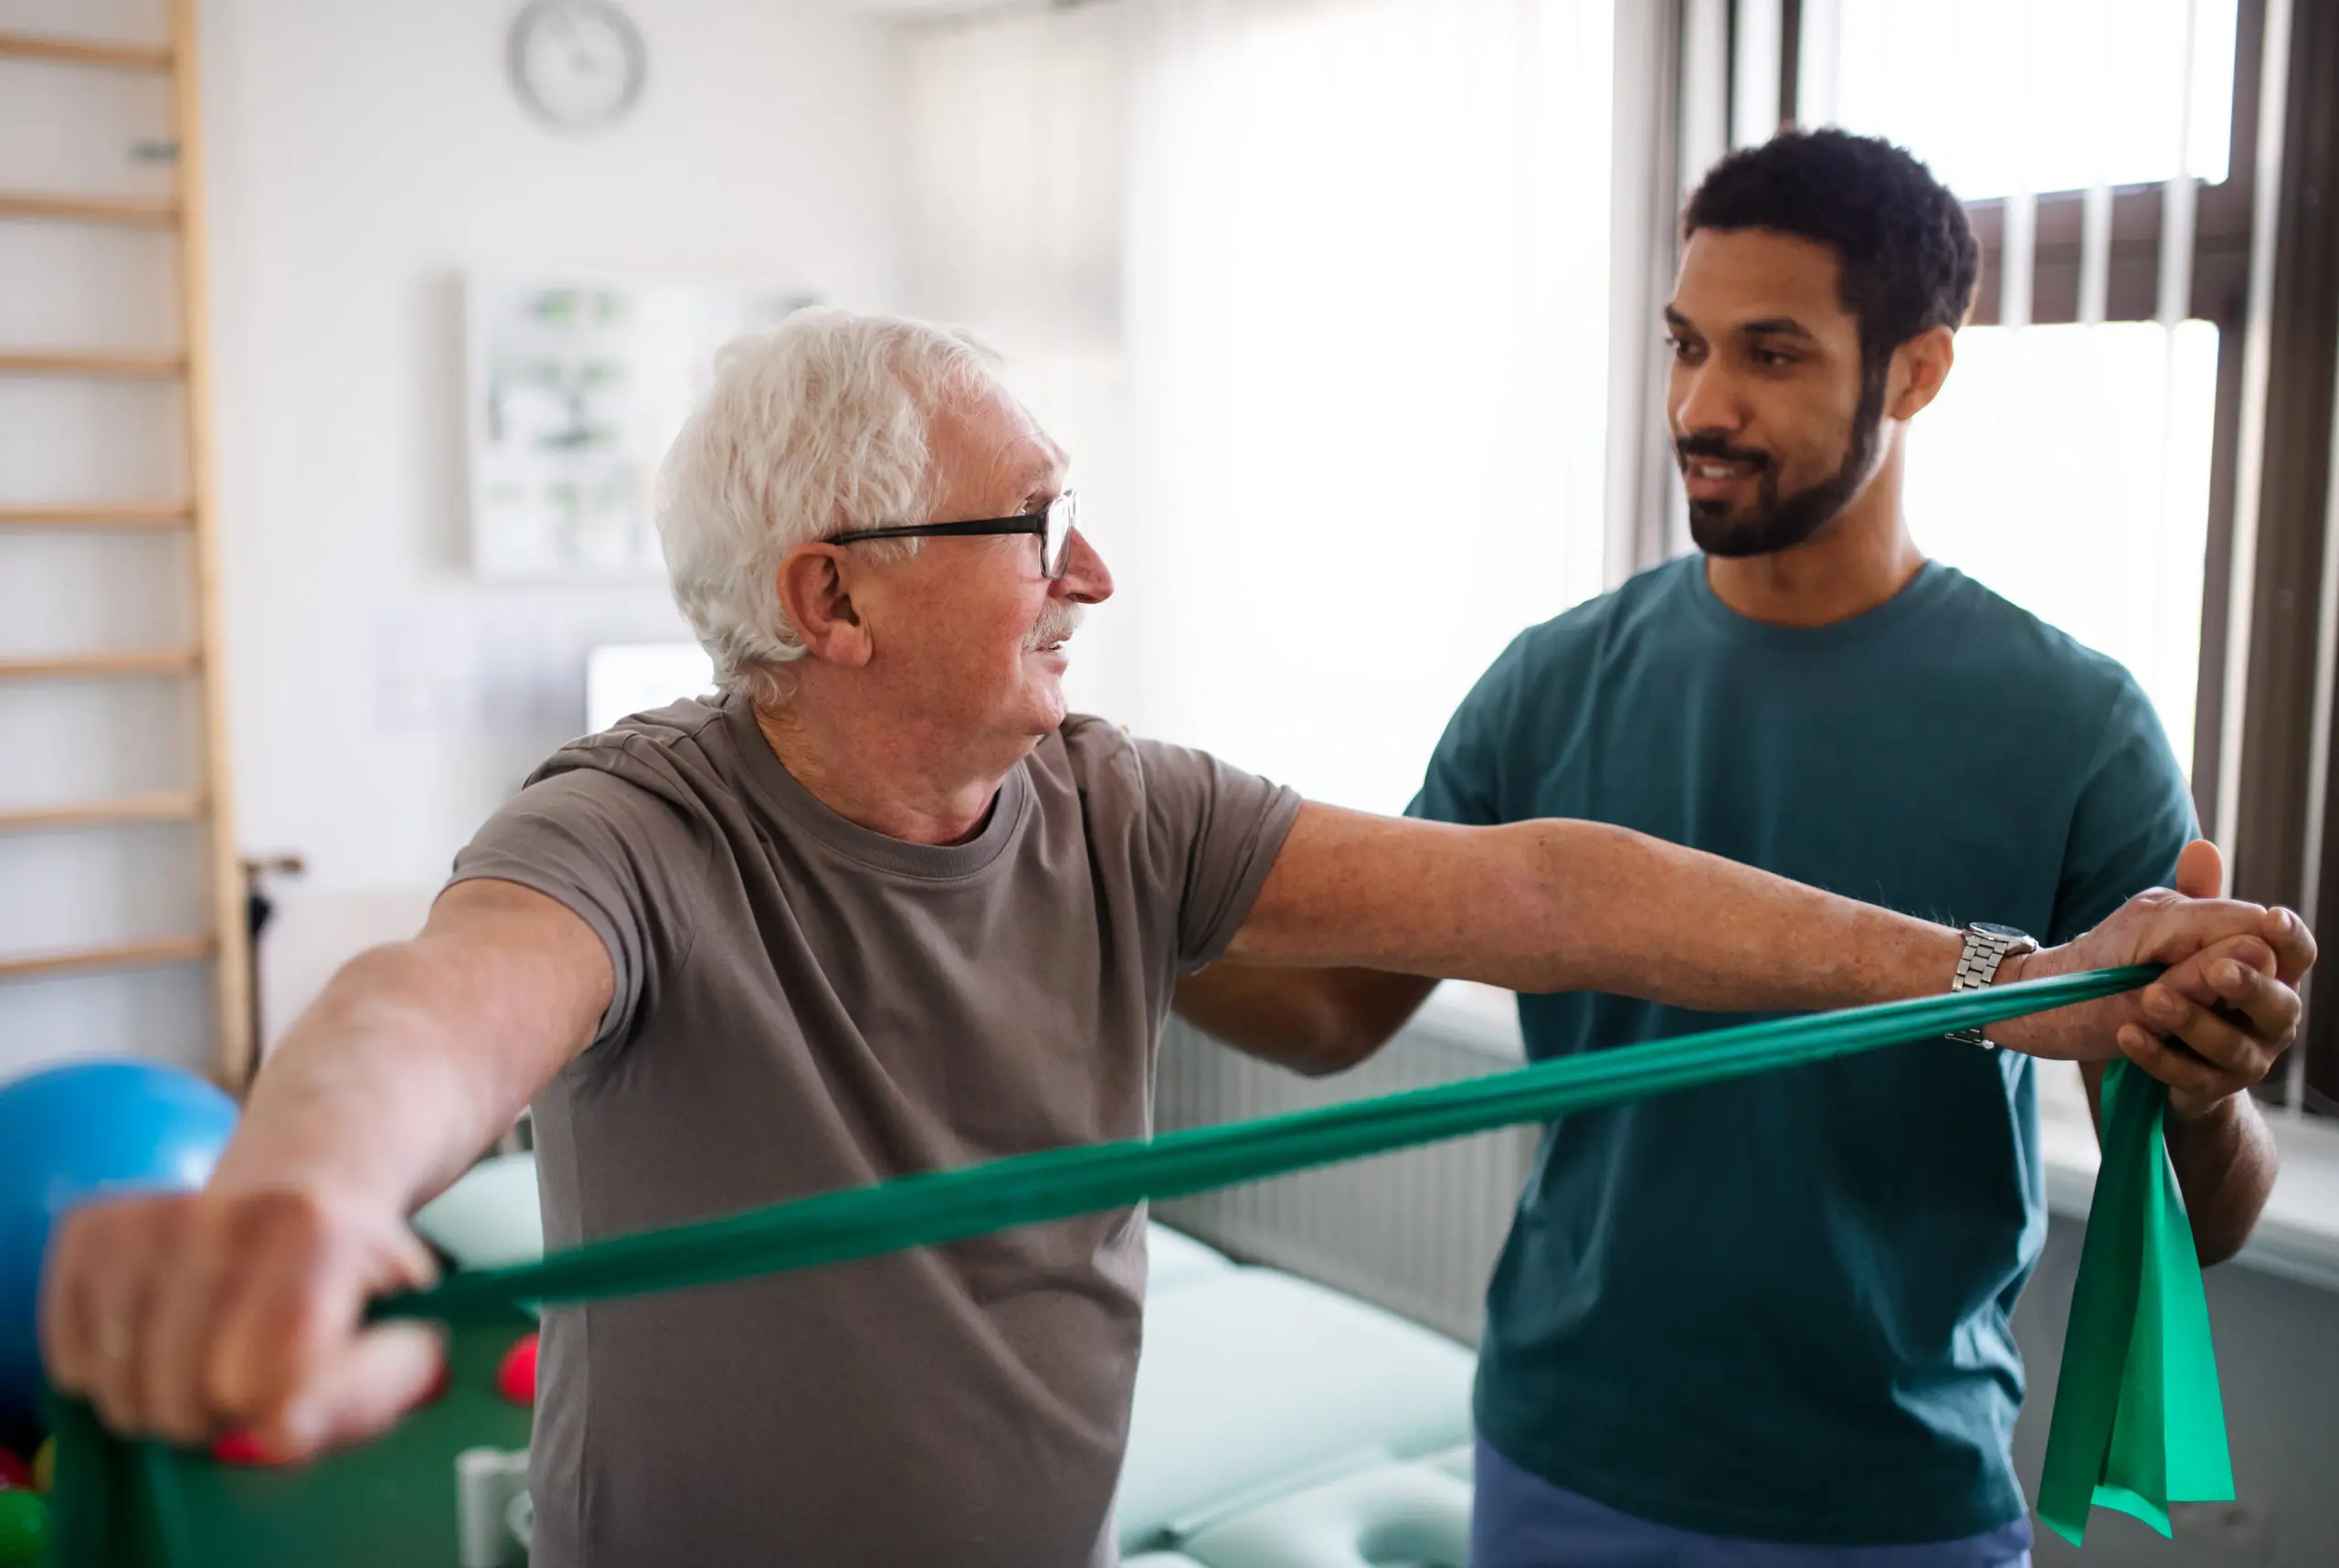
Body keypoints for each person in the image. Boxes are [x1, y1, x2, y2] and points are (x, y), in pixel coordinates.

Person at [44, 309, 2306, 1568]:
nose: (1091, 575)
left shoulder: (1106, 797)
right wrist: (304, 1193)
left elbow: (1535, 886)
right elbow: (440, 1008)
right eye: (1035, 528)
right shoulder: (635, 827)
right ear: (829, 595)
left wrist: (2004, 985)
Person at [1173, 130, 2311, 1568]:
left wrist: (2207, 1092)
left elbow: (2195, 1218)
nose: (1700, 404)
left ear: (1917, 371)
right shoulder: (1553, 679)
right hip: (1562, 1453)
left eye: (1771, 356)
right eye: (1685, 345)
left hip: (1891, 1497)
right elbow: (1335, 1012)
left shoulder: (2073, 724)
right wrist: (1113, 896)